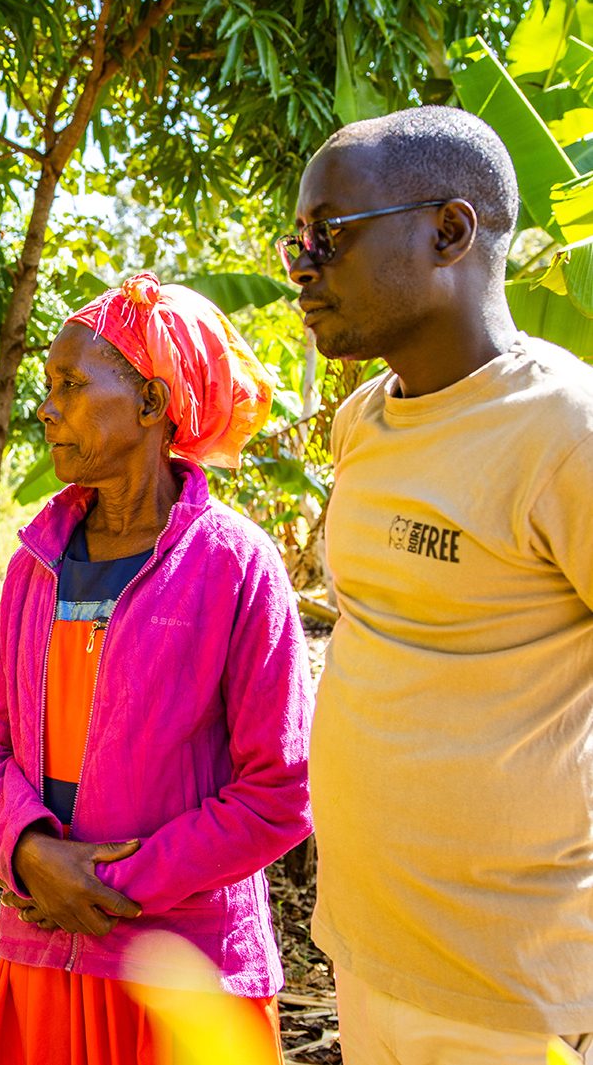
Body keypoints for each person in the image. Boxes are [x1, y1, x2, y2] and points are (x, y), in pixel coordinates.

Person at [280, 105, 593, 1064]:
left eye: (327, 235)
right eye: (295, 240)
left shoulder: (564, 434)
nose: (300, 266)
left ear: (449, 232)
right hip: (370, 953)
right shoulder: (365, 421)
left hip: (508, 991)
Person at [0, 274, 314, 1065]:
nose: (47, 407)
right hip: (45, 947)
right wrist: (30, 852)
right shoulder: (36, 564)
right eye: (49, 386)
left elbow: (279, 793)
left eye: (73, 385)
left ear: (152, 403)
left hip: (182, 972)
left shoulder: (234, 565)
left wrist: (116, 886)